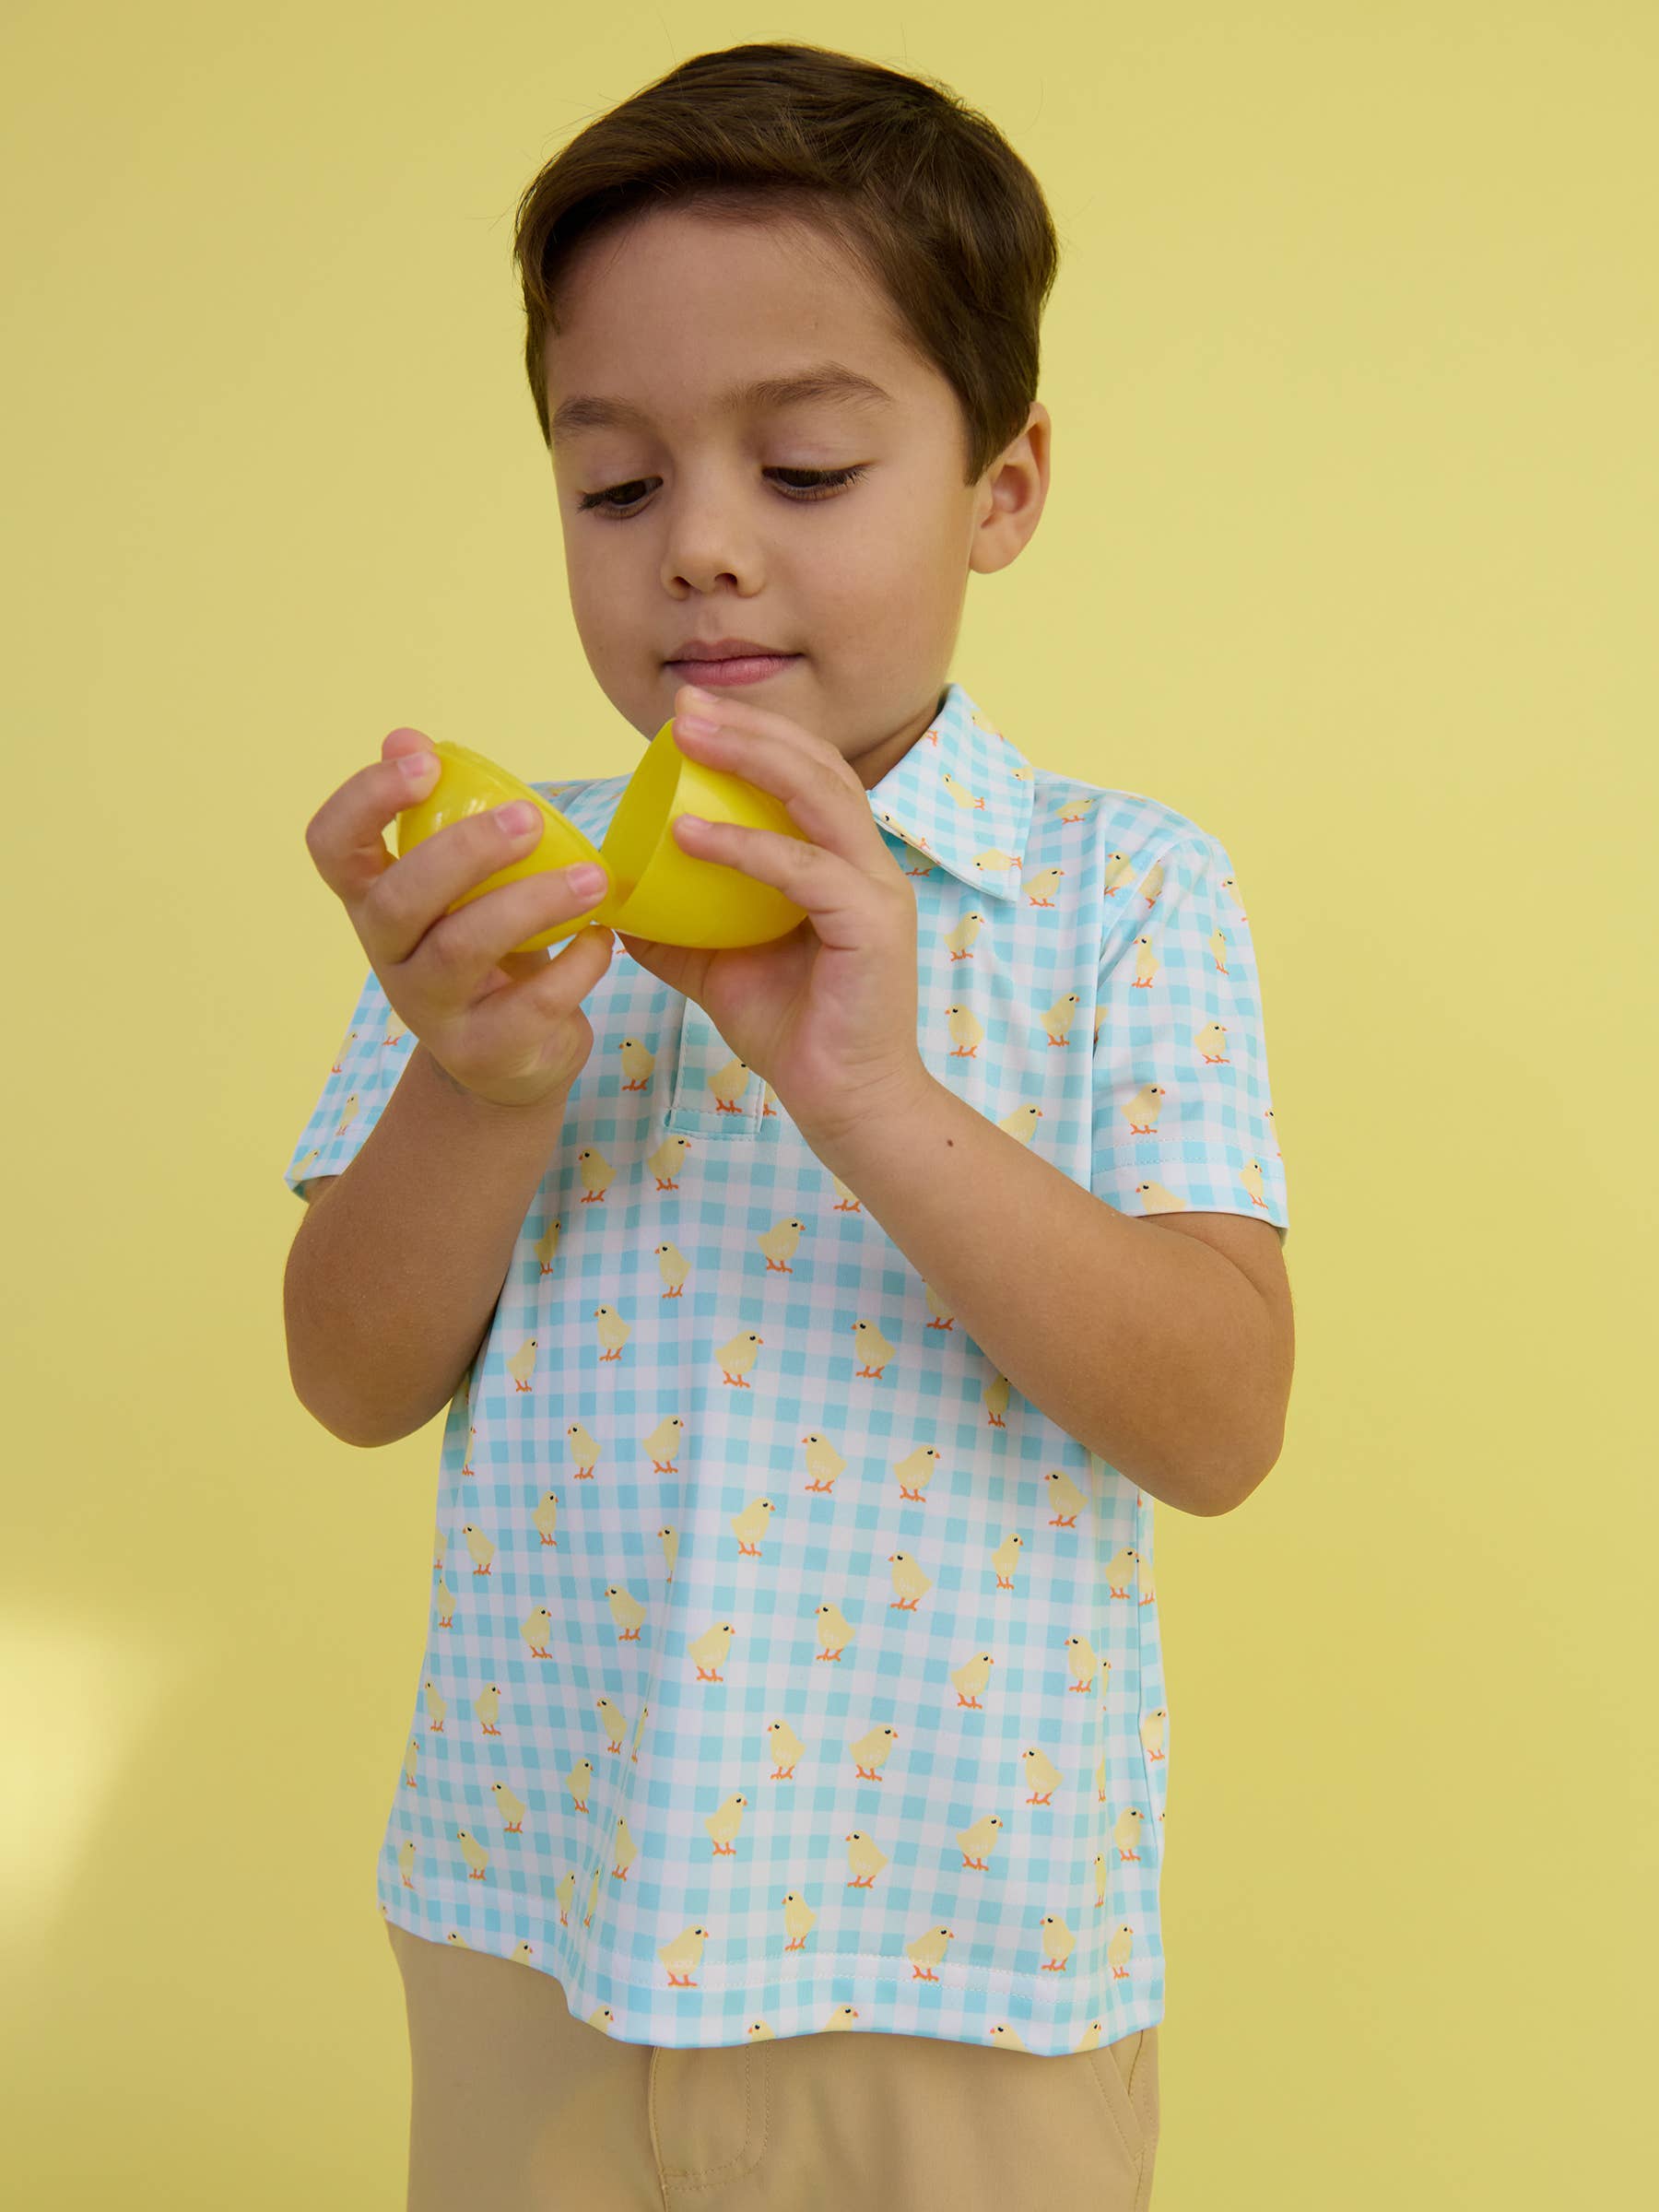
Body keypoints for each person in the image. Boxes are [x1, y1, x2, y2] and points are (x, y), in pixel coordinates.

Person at [282, 39, 1295, 2212]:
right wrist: (479, 1087)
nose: (702, 556)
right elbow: (351, 1377)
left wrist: (867, 1083)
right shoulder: (504, 900)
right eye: (619, 487)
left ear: (1002, 488)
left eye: (811, 471)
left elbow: (1219, 1421)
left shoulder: (1122, 890)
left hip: (954, 1966)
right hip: (533, 1916)